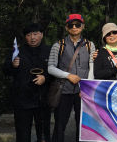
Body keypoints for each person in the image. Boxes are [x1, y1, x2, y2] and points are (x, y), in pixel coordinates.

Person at [48, 14, 95, 142]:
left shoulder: (90, 45)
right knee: (60, 125)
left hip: (82, 92)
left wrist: (87, 88)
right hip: (64, 90)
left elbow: (91, 67)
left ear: (83, 26)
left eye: (77, 24)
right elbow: (50, 68)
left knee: (83, 125)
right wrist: (68, 75)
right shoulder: (58, 45)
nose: (74, 27)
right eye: (71, 25)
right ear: (67, 28)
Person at [3, 23, 50, 142]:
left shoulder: (49, 50)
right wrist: (12, 65)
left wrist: (45, 77)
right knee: (23, 135)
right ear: (25, 37)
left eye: (35, 34)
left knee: (44, 136)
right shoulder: (17, 52)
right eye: (29, 35)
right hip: (22, 100)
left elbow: (58, 70)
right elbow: (5, 70)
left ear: (42, 35)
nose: (32, 37)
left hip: (43, 99)